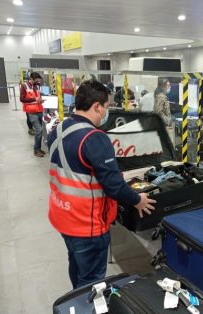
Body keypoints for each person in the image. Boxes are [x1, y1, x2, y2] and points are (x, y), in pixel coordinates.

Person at [48, 80, 156, 289]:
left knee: (77, 267)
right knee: (93, 284)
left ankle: (76, 302)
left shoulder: (59, 128)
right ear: (97, 106)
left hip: (62, 215)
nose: (106, 112)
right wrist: (137, 200)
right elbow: (113, 185)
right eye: (106, 107)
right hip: (86, 225)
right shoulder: (94, 137)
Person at [20, 72, 45, 157]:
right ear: (32, 79)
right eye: (37, 80)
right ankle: (36, 150)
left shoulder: (36, 86)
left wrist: (40, 100)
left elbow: (38, 96)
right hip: (31, 112)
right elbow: (22, 99)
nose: (38, 81)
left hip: (39, 110)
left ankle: (39, 148)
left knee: (40, 131)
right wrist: (35, 99)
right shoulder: (24, 86)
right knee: (39, 131)